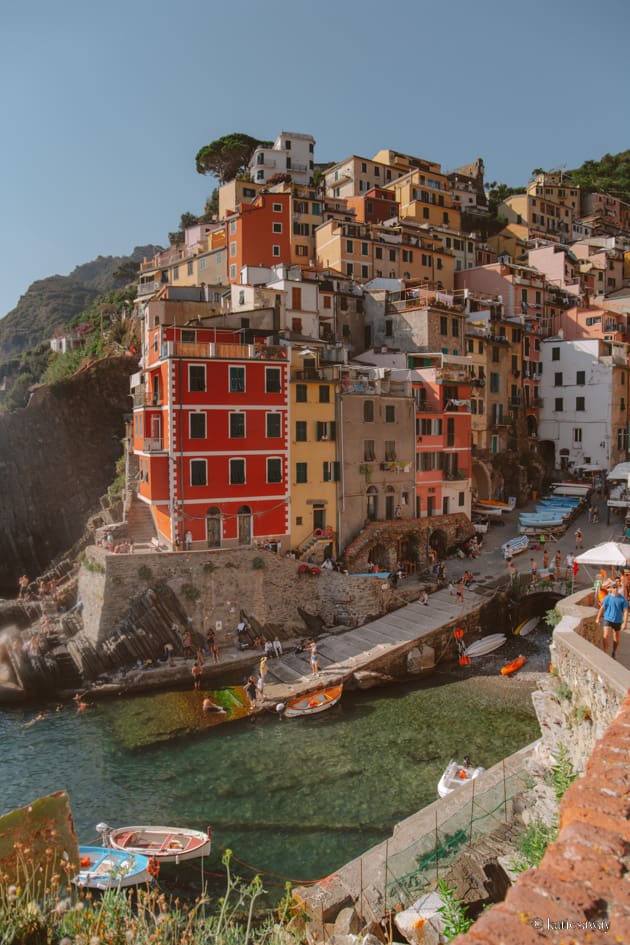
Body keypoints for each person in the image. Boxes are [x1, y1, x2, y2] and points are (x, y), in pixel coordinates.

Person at [596, 583, 628, 658]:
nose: (615, 589)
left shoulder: (622, 599)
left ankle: (614, 652)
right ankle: (605, 652)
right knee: (605, 635)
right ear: (611, 589)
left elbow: (626, 611)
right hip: (607, 619)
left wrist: (625, 623)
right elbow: (602, 608)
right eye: (614, 587)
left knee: (616, 638)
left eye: (617, 587)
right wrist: (598, 618)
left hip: (618, 620)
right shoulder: (607, 598)